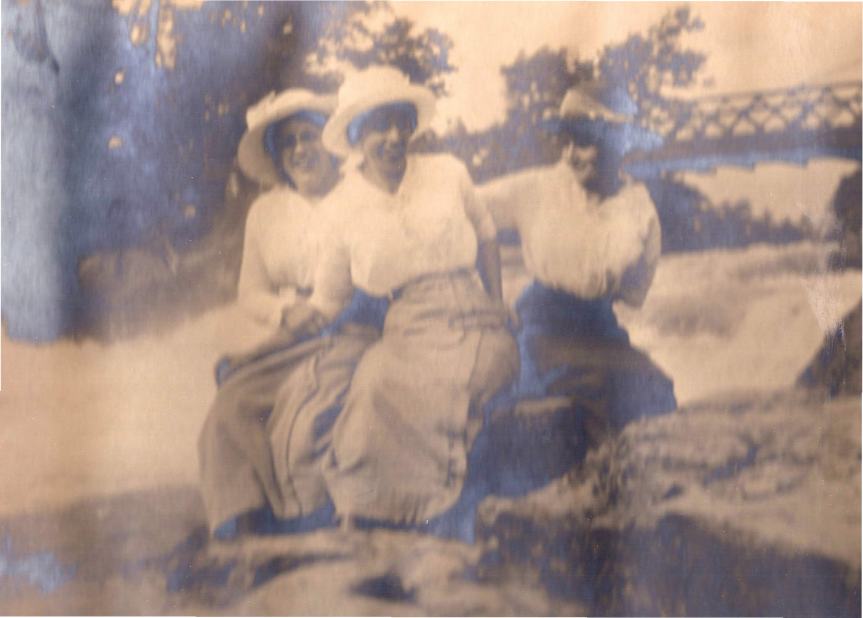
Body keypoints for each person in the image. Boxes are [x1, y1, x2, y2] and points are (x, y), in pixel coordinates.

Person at [294, 66, 518, 529]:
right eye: (379, 126)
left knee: (477, 374)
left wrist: (498, 299)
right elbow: (327, 301)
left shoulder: (448, 172)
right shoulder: (339, 208)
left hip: (472, 316)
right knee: (374, 385)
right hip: (407, 328)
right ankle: (372, 513)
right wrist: (280, 335)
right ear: (356, 135)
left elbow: (487, 232)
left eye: (402, 123)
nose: (394, 137)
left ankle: (440, 504)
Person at [197, 88, 384, 539]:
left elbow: (368, 279)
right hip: (293, 332)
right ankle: (244, 529)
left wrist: (313, 317)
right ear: (278, 157)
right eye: (289, 143)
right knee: (231, 405)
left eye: (310, 136)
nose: (301, 150)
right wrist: (285, 311)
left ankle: (312, 520)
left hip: (351, 326)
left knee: (307, 402)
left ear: (332, 142)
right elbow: (251, 292)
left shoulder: (360, 195)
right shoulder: (265, 212)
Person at [478, 82, 676, 445]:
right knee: (581, 396)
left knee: (655, 391)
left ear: (616, 141)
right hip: (541, 325)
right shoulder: (539, 188)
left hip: (600, 328)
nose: (570, 155)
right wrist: (490, 296)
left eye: (582, 142)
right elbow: (466, 215)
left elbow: (632, 293)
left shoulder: (639, 209)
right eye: (564, 142)